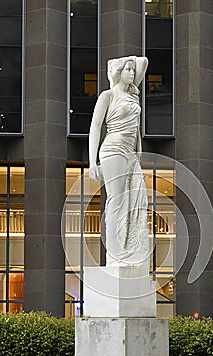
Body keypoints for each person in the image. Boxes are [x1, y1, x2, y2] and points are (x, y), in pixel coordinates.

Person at [88, 56, 149, 271]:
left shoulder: (133, 95)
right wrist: (92, 161)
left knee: (137, 200)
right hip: (113, 149)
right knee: (116, 200)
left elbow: (144, 61)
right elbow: (95, 127)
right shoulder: (108, 95)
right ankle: (115, 252)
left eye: (133, 70)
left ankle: (129, 247)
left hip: (131, 153)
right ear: (117, 71)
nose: (132, 73)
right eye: (128, 70)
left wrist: (131, 62)